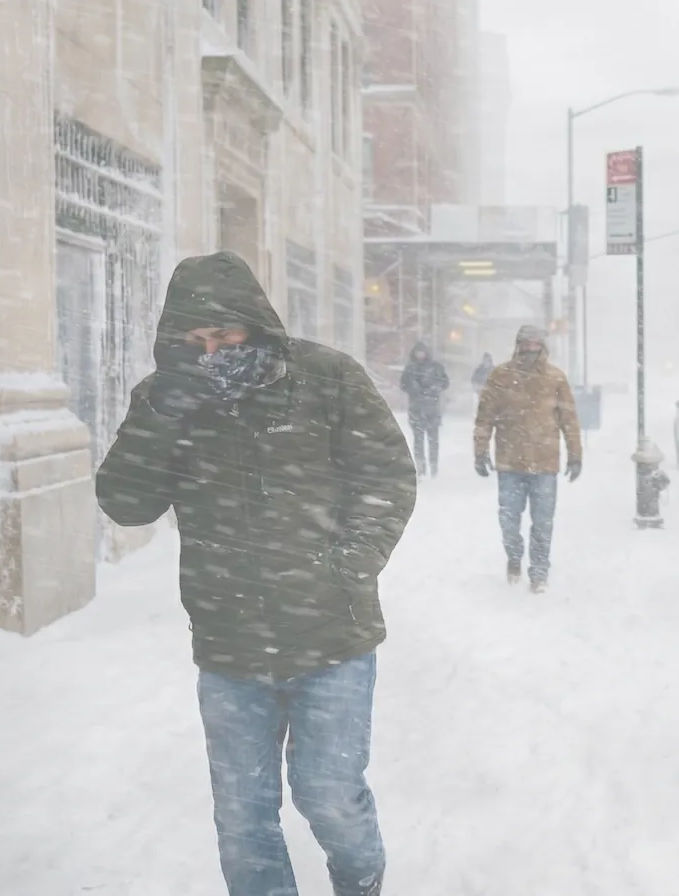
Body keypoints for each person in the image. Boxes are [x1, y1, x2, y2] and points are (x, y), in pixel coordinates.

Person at [96, 250, 417, 896]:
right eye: (198, 340)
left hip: (332, 635)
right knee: (243, 819)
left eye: (225, 334)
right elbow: (126, 502)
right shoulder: (167, 399)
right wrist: (161, 417)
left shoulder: (326, 377)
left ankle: (361, 880)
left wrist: (347, 566)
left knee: (329, 795)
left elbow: (387, 477)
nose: (213, 352)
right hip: (229, 643)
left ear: (255, 324)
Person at [473, 326, 582, 593]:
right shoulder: (500, 376)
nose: (530, 349)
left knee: (543, 522)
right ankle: (514, 556)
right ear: (518, 345)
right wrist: (480, 450)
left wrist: (575, 454)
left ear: (542, 347)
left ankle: (539, 572)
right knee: (508, 520)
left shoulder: (555, 378)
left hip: (545, 464)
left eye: (535, 344)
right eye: (526, 344)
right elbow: (485, 416)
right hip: (510, 462)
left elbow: (569, 419)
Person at [399, 341, 450, 477]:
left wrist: (434, 388)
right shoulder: (410, 369)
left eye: (422, 352)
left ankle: (433, 465)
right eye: (418, 352)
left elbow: (445, 382)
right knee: (418, 440)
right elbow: (403, 385)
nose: (420, 355)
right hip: (416, 409)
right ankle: (420, 467)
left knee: (433, 440)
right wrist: (413, 388)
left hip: (432, 409)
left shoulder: (436, 367)